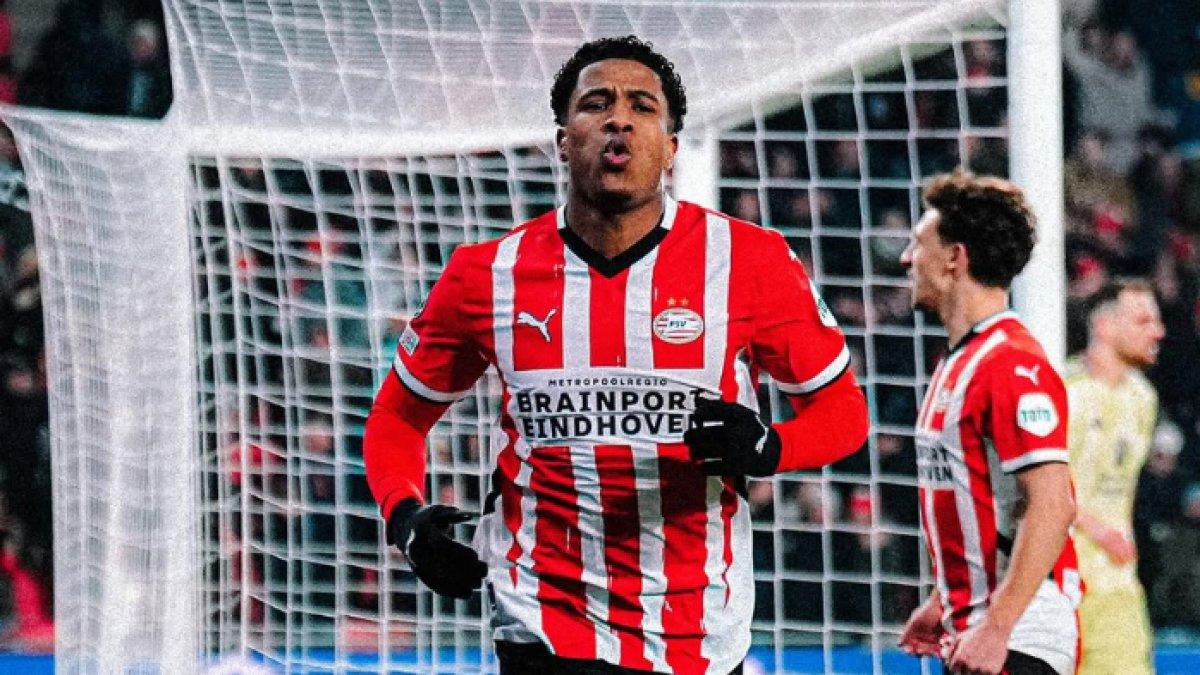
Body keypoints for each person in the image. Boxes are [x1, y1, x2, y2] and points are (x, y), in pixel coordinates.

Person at [363, 35, 869, 675]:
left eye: (642, 106)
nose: (619, 119)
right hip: (541, 621)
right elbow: (397, 418)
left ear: (671, 147)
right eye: (596, 103)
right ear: (562, 140)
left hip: (697, 630)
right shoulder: (485, 274)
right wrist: (405, 515)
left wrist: (771, 447)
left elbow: (844, 414)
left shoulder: (751, 262)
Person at [897, 170, 1081, 675]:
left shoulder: (1011, 364)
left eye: (919, 244)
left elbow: (1052, 505)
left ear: (955, 258)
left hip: (1019, 635)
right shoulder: (961, 360)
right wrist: (943, 598)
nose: (907, 259)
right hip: (979, 628)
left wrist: (998, 627)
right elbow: (982, 499)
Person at [1064, 280, 1163, 674]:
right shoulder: (1064, 392)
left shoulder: (1143, 397)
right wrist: (1099, 531)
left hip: (1117, 587)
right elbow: (1036, 486)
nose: (1158, 332)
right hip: (1059, 585)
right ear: (1104, 327)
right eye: (1143, 321)